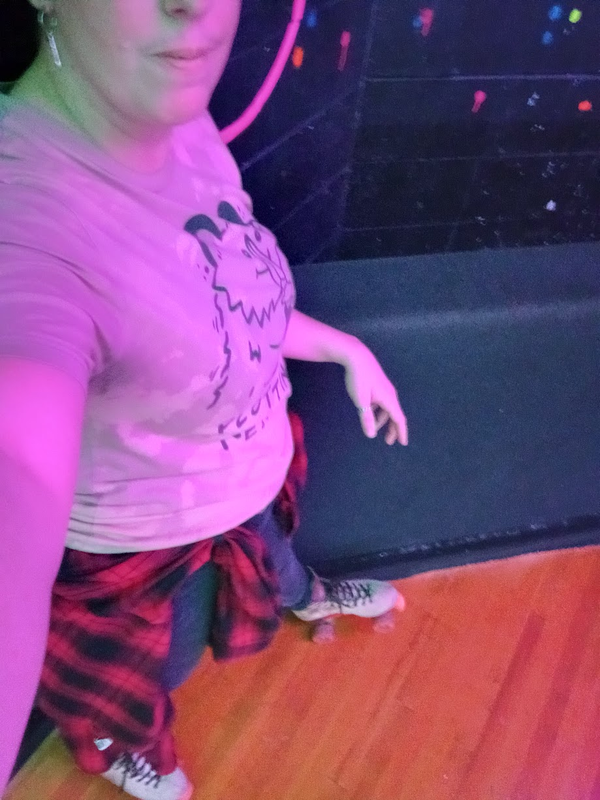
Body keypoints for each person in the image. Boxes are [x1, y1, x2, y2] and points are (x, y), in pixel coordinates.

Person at [0, 2, 409, 798]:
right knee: (137, 685)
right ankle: (131, 749)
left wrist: (345, 349)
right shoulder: (25, 219)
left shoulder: (178, 117)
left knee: (284, 568)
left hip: (250, 475)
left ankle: (308, 598)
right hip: (139, 550)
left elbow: (231, 298)